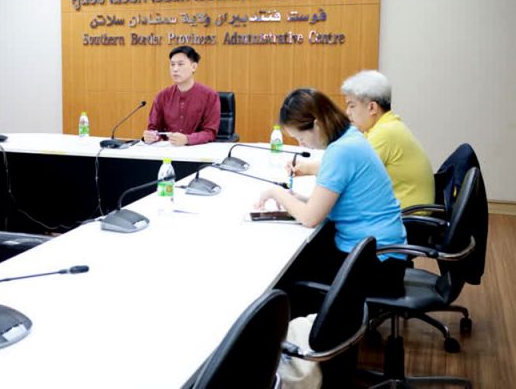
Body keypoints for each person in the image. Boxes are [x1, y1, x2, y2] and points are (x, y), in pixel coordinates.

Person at [255, 88, 407, 296]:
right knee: (300, 259)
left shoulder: (341, 151)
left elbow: (310, 218)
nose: (302, 144)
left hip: (376, 264)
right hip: (378, 252)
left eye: (301, 138)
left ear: (317, 124)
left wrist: (276, 192)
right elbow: (331, 203)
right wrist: (299, 200)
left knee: (285, 277)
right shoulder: (349, 137)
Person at [340, 70, 435, 210]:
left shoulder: (385, 133)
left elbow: (348, 173)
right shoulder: (385, 126)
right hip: (399, 209)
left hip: (406, 215)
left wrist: (309, 168)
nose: (347, 112)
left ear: (372, 107)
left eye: (352, 105)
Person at [143, 46, 220, 146]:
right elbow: (154, 128)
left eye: (180, 64)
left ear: (193, 67)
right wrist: (152, 136)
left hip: (198, 150)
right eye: (172, 64)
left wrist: (188, 139)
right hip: (169, 150)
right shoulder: (162, 96)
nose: (175, 69)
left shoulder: (210, 96)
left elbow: (210, 132)